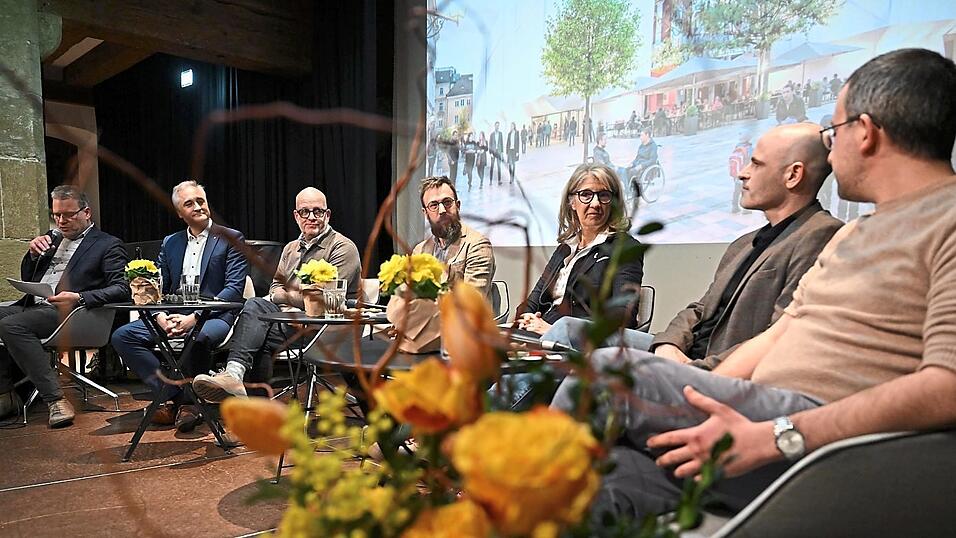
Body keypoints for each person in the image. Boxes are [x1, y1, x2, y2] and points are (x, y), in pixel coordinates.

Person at [551, 48, 956, 524]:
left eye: (834, 131)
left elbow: (946, 387)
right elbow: (779, 335)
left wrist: (779, 434)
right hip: (766, 415)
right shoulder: (855, 234)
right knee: (608, 481)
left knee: (609, 374)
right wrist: (701, 389)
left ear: (865, 133)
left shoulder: (944, 221)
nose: (830, 149)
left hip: (828, 444)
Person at [548, 123, 843, 363]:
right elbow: (699, 310)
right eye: (585, 195)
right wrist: (667, 346)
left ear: (793, 175)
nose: (742, 172)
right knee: (568, 334)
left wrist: (695, 369)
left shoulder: (820, 235)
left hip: (719, 367)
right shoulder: (743, 244)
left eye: (755, 163)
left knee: (589, 354)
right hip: (684, 353)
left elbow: (778, 338)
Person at [192, 187, 361, 401]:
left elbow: (324, 299)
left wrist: (285, 298)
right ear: (296, 216)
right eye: (304, 212)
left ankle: (246, 392)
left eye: (318, 211)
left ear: (327, 215)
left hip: (328, 330)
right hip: (291, 324)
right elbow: (274, 289)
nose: (311, 217)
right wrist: (293, 301)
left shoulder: (342, 248)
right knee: (255, 312)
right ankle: (239, 382)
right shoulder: (290, 249)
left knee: (259, 323)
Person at [111, 180, 248, 430]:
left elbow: (234, 290)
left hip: (214, 317)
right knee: (123, 336)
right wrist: (161, 315)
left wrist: (195, 317)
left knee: (197, 337)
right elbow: (157, 286)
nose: (197, 206)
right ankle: (173, 395)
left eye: (201, 201)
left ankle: (187, 404)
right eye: (189, 203)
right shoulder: (170, 242)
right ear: (179, 213)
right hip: (173, 314)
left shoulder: (231, 238)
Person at [0, 185, 130, 427]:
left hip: (73, 313)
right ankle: (6, 395)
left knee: (11, 325)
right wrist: (31, 255)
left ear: (86, 213)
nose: (61, 221)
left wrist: (79, 297)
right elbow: (31, 277)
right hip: (34, 306)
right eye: (57, 215)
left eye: (69, 215)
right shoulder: (52, 240)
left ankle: (56, 400)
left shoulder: (107, 244)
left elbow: (122, 289)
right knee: (8, 319)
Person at [516, 164, 644, 334]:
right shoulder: (565, 249)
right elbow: (533, 301)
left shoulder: (625, 248)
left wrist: (557, 330)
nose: (596, 203)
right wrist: (526, 317)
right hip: (541, 336)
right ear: (572, 202)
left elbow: (622, 316)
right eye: (586, 195)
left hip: (580, 347)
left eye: (604, 195)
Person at [413, 176, 495, 296]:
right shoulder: (419, 251)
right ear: (425, 213)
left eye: (447, 203)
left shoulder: (478, 246)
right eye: (434, 205)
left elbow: (471, 302)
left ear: (458, 206)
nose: (442, 210)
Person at [729, 131, 754, 214]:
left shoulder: (738, 146)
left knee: (736, 190)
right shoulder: (749, 148)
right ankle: (746, 209)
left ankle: (734, 207)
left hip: (736, 172)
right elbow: (751, 160)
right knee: (745, 190)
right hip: (745, 172)